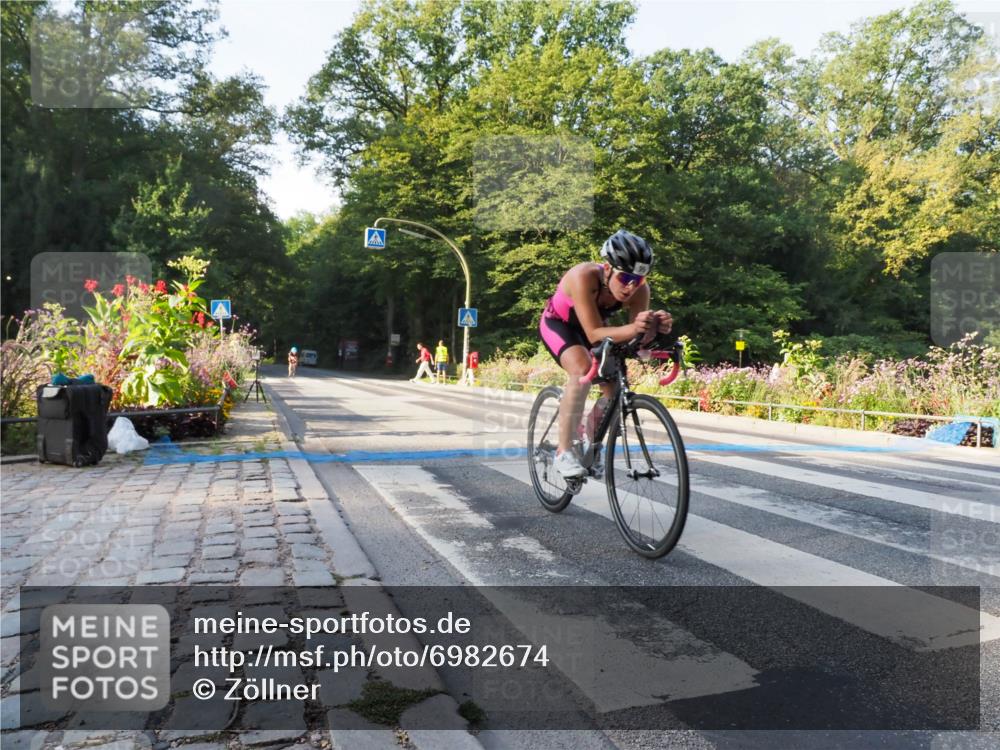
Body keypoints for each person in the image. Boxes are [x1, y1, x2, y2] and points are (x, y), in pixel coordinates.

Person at [538, 230, 673, 479]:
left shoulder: (640, 291)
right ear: (608, 268)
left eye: (639, 279)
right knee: (581, 369)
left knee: (613, 391)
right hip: (561, 325)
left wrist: (655, 328)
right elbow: (592, 334)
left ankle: (591, 445)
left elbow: (636, 341)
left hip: (603, 330)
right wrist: (634, 327)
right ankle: (563, 451)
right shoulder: (583, 277)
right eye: (626, 278)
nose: (631, 286)